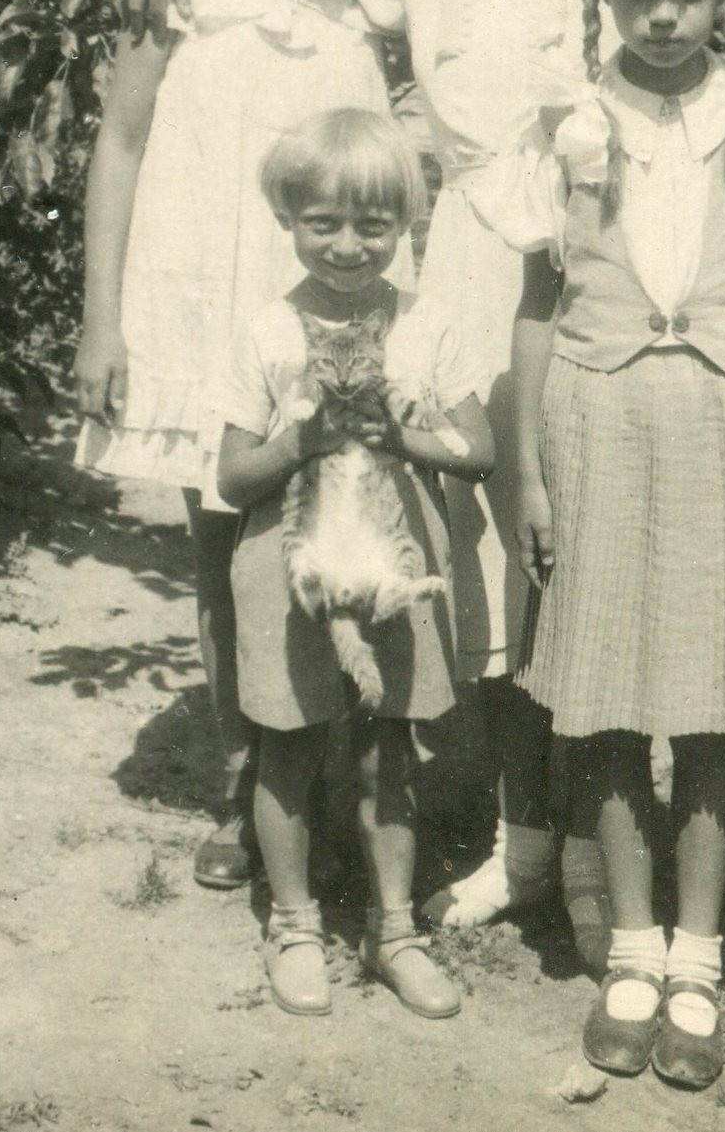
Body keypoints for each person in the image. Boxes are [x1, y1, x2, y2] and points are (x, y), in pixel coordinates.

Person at [122, 0, 611, 962]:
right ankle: (323, 790)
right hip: (332, 272)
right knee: (329, 535)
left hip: (492, 272)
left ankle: (541, 816)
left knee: (500, 527)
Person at [472, 0, 725, 1090]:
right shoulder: (571, 131)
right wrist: (525, 474)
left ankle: (698, 961)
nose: (665, 15)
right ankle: (629, 955)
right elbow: (534, 312)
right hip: (600, 425)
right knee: (614, 707)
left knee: (710, 704)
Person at [75, 0, 411, 890]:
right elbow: (118, 145)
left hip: (318, 307)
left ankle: (336, 795)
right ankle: (242, 784)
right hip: (193, 309)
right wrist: (98, 326)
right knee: (225, 562)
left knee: (337, 541)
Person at [216, 108, 493, 1019]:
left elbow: (478, 448)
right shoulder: (265, 329)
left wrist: (403, 434)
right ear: (289, 218)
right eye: (323, 222)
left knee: (389, 757)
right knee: (288, 745)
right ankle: (295, 923)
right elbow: (230, 472)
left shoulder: (428, 322)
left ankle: (392, 930)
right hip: (291, 564)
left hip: (392, 561)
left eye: (373, 225)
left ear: (408, 225)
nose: (347, 245)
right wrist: (301, 441)